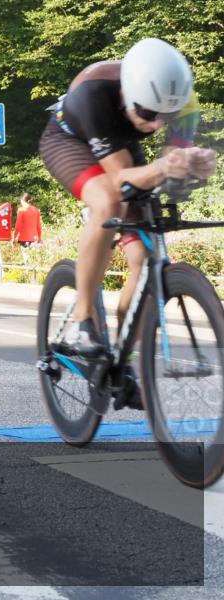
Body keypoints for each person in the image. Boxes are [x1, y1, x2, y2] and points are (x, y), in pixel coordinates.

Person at [38, 37, 216, 407]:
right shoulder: (94, 93)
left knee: (144, 253)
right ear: (127, 93)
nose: (155, 125)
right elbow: (122, 181)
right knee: (109, 201)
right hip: (70, 140)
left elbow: (170, 169)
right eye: (148, 114)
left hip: (116, 141)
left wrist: (190, 165)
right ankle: (84, 322)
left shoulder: (182, 101)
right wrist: (163, 168)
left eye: (165, 116)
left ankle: (124, 357)